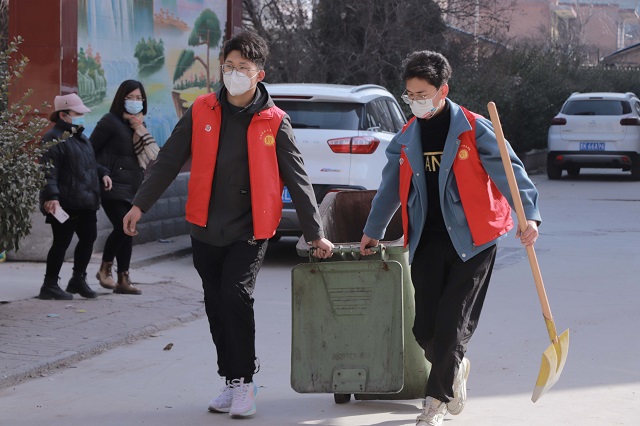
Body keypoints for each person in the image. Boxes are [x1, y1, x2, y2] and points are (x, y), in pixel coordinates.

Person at [122, 31, 334, 418]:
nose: (233, 74)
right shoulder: (202, 109)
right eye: (229, 66)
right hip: (205, 224)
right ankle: (230, 381)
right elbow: (168, 159)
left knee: (236, 296)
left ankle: (245, 381)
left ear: (259, 74)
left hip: (250, 228)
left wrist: (314, 230)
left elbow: (298, 179)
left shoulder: (274, 121)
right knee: (215, 301)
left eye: (243, 68)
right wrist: (140, 205)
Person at [359, 51, 541, 426]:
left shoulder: (473, 128)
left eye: (422, 93)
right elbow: (390, 187)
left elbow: (511, 172)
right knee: (425, 328)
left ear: (444, 90)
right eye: (409, 94)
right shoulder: (407, 136)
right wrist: (373, 231)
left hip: (474, 241)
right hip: (426, 240)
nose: (416, 101)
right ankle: (454, 364)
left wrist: (530, 215)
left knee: (452, 324)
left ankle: (435, 400)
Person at [38, 93, 113, 300]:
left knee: (88, 238)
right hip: (64, 202)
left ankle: (78, 279)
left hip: (86, 201)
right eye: (77, 113)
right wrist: (51, 197)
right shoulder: (52, 138)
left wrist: (102, 172)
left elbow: (87, 164)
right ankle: (49, 285)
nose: (82, 116)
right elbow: (47, 172)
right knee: (61, 242)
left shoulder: (81, 138)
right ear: (63, 115)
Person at [91, 80, 159, 295]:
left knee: (128, 232)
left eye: (139, 98)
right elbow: (89, 152)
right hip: (112, 185)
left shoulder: (139, 126)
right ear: (122, 98)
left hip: (133, 187)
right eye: (131, 97)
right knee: (123, 227)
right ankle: (105, 269)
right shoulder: (109, 122)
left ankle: (123, 279)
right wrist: (103, 172)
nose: (135, 102)